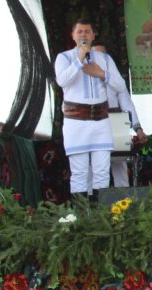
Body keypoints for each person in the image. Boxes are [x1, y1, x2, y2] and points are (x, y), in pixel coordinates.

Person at [53, 20, 129, 199]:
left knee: (102, 172)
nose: (83, 35)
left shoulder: (104, 59)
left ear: (93, 36)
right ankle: (82, 214)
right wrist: (79, 60)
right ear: (73, 35)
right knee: (79, 173)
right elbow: (62, 81)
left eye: (87, 32)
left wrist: (101, 74)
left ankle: (99, 213)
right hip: (76, 121)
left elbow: (120, 86)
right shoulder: (64, 58)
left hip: (101, 121)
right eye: (79, 31)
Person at [90, 42, 146, 188]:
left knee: (120, 162)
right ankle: (91, 199)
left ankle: (124, 197)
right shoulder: (84, 79)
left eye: (103, 55)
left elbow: (127, 104)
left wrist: (138, 128)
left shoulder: (116, 81)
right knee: (92, 162)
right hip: (93, 120)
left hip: (116, 120)